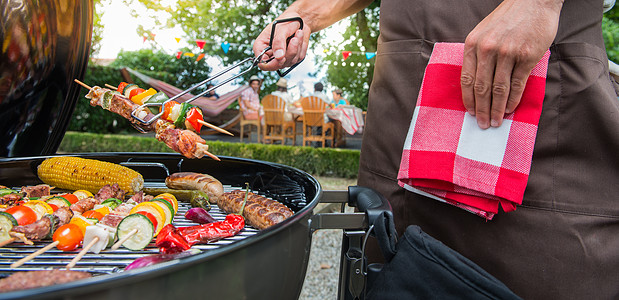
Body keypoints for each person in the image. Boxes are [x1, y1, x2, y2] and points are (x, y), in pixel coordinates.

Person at [254, 0, 619, 299]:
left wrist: (537, 4)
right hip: (401, 90)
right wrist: (304, 12)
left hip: (538, 69)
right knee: (385, 267)